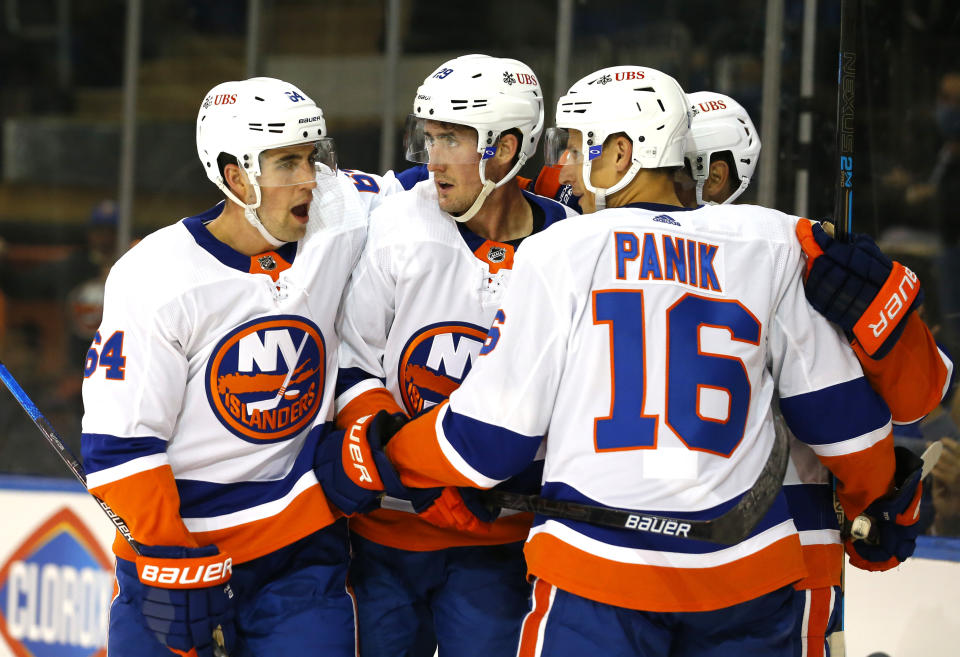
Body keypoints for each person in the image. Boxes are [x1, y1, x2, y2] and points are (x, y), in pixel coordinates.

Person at [328, 66, 927, 657]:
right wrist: (882, 498)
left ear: (622, 152)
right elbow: (841, 418)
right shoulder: (775, 242)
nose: (562, 168)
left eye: (574, 145)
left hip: (598, 574)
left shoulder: (560, 248)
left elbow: (487, 441)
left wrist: (387, 450)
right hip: (746, 575)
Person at [80, 76, 403, 657]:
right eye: (287, 164)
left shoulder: (336, 212)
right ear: (236, 176)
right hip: (180, 553)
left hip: (300, 554)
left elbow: (426, 189)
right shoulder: (154, 278)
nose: (309, 179)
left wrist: (550, 192)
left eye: (312, 157)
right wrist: (169, 560)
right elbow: (120, 449)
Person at [676, 89, 954, 655]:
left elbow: (917, 396)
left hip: (781, 543)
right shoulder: (595, 249)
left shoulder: (798, 254)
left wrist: (879, 312)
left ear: (718, 174)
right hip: (647, 542)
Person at [323, 53, 576, 657]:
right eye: (429, 137)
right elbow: (354, 359)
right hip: (384, 534)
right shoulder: (396, 223)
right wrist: (407, 465)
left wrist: (508, 475)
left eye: (454, 139)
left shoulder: (571, 245)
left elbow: (571, 397)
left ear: (507, 148)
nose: (433, 158)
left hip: (500, 542)